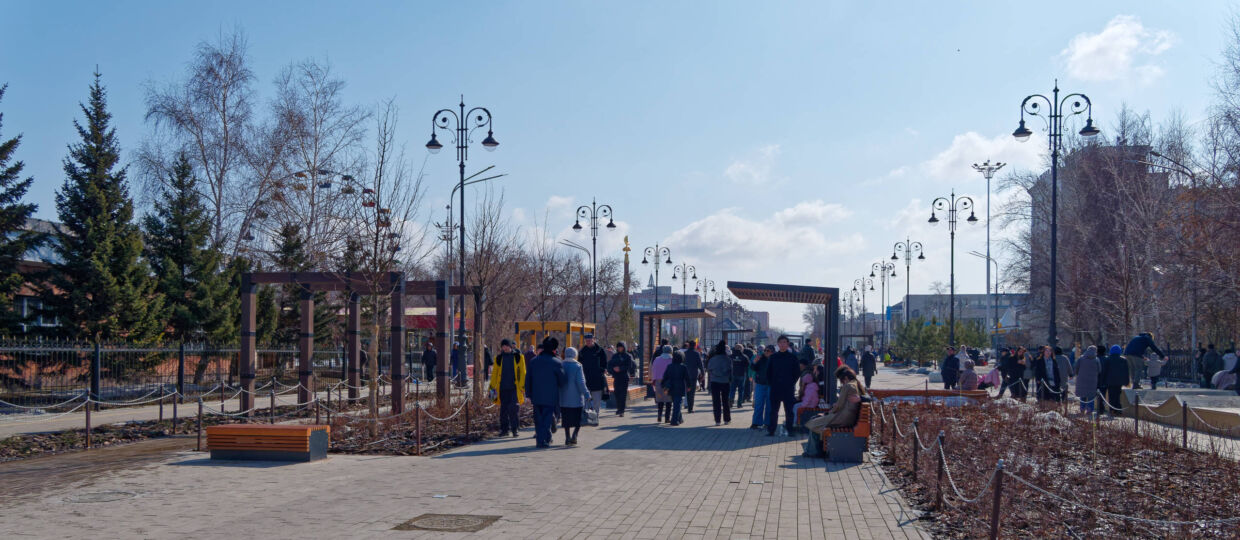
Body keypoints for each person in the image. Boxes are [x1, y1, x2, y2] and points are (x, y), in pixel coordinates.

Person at [804, 366, 865, 458]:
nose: (842, 383)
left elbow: (839, 405)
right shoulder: (856, 384)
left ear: (846, 378)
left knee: (814, 423)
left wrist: (828, 413)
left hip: (842, 418)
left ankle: (813, 452)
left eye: (841, 381)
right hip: (847, 418)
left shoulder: (848, 386)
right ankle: (813, 450)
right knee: (816, 420)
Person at [526, 338, 566, 448]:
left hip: (536, 395)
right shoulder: (557, 362)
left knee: (538, 419)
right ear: (553, 349)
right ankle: (542, 441)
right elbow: (562, 381)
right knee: (547, 418)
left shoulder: (533, 361)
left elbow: (528, 379)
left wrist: (528, 394)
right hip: (551, 396)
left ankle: (544, 438)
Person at [488, 339, 525, 438]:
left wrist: (522, 387)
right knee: (503, 410)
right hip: (502, 388)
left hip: (514, 388)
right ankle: (504, 430)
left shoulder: (518, 357)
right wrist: (491, 390)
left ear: (510, 346)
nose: (504, 348)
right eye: (503, 346)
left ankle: (515, 429)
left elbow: (523, 373)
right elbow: (494, 374)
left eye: (506, 346)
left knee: (513, 409)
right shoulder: (498, 358)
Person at [767, 335, 801, 436]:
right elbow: (768, 373)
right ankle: (771, 430)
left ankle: (790, 430)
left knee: (789, 411)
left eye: (784, 342)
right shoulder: (773, 357)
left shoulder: (792, 357)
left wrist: (791, 383)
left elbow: (797, 372)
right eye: (781, 342)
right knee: (773, 411)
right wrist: (772, 383)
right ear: (778, 344)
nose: (782, 344)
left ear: (787, 344)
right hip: (775, 388)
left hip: (788, 388)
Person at [558, 347, 590, 446]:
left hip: (563, 398)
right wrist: (586, 394)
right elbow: (581, 382)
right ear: (575, 355)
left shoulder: (561, 365)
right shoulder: (578, 366)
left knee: (566, 419)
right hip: (576, 398)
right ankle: (574, 435)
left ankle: (567, 437)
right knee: (578, 419)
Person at [578, 333, 607, 422]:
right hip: (586, 379)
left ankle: (596, 417)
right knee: (586, 401)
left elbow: (604, 363)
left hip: (597, 379)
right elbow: (579, 364)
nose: (588, 342)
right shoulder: (582, 351)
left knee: (596, 401)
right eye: (587, 341)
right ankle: (587, 417)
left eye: (590, 340)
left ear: (593, 340)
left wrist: (601, 371)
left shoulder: (600, 350)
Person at [706, 341, 733, 425]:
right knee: (725, 401)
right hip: (725, 381)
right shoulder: (728, 359)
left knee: (716, 401)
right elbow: (731, 370)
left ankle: (717, 420)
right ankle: (727, 419)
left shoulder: (712, 359)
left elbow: (709, 369)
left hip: (715, 381)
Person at [1098, 345, 1129, 416]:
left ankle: (1112, 410)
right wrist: (1126, 382)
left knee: (1111, 396)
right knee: (1117, 395)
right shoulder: (1123, 360)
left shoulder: (1107, 359)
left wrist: (1102, 381)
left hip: (1109, 381)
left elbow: (1104, 371)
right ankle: (1118, 410)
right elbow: (1126, 372)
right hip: (1119, 381)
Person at [661, 350, 690, 426]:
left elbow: (665, 377)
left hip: (671, 388)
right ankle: (674, 421)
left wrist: (663, 386)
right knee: (677, 404)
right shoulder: (683, 367)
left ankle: (680, 419)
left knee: (676, 403)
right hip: (680, 387)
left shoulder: (669, 366)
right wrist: (689, 386)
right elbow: (687, 378)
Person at [607, 342, 636, 416]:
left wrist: (620, 368)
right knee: (617, 393)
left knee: (623, 394)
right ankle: (618, 408)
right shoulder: (615, 356)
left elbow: (630, 366)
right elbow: (610, 365)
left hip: (624, 377)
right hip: (616, 377)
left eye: (621, 347)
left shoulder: (628, 356)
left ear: (624, 347)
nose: (619, 348)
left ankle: (622, 410)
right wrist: (613, 369)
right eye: (618, 347)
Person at [750, 345, 773, 429]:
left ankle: (768, 423)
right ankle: (756, 422)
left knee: (769, 405)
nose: (767, 352)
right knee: (758, 404)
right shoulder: (760, 359)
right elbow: (753, 368)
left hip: (771, 385)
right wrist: (754, 362)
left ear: (772, 352)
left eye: (769, 351)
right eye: (766, 350)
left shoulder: (774, 360)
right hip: (760, 384)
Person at [1074, 346, 1101, 416]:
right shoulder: (1096, 359)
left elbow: (1076, 368)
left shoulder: (1081, 358)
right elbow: (1099, 370)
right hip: (1092, 381)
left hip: (1082, 380)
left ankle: (1082, 409)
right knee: (1091, 396)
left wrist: (1079, 374)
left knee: (1083, 395)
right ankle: (1089, 410)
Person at [794, 358, 820, 428]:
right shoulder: (811, 385)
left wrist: (802, 404)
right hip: (811, 403)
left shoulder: (809, 387)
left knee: (795, 406)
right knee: (795, 405)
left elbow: (807, 398)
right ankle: (794, 421)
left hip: (810, 405)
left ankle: (795, 422)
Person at [651, 346, 673, 423]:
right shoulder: (672, 359)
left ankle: (659, 416)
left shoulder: (657, 359)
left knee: (660, 400)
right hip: (668, 382)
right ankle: (667, 418)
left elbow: (653, 369)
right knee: (668, 400)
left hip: (658, 381)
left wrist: (653, 380)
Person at [682, 340, 704, 413]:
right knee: (692, 392)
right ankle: (690, 408)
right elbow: (700, 364)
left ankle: (687, 405)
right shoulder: (696, 354)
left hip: (685, 375)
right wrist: (703, 374)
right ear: (695, 346)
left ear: (688, 345)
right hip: (693, 375)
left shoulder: (684, 353)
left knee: (687, 391)